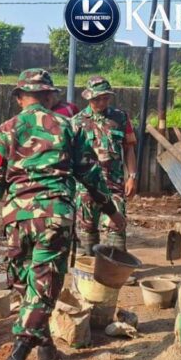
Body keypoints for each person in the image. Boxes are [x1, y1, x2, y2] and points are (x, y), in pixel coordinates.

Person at [0, 68, 124, 360]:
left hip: (17, 219)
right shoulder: (69, 127)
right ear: (50, 97)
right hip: (54, 216)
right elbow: (92, 176)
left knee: (28, 285)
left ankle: (46, 353)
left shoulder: (4, 131)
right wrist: (111, 211)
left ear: (20, 97)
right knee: (41, 288)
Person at [71, 76, 138, 255]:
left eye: (105, 98)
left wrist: (131, 176)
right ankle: (91, 271)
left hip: (114, 184)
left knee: (117, 225)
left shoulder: (121, 118)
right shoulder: (77, 122)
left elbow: (129, 149)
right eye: (96, 99)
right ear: (88, 98)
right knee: (87, 228)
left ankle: (115, 271)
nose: (101, 102)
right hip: (87, 187)